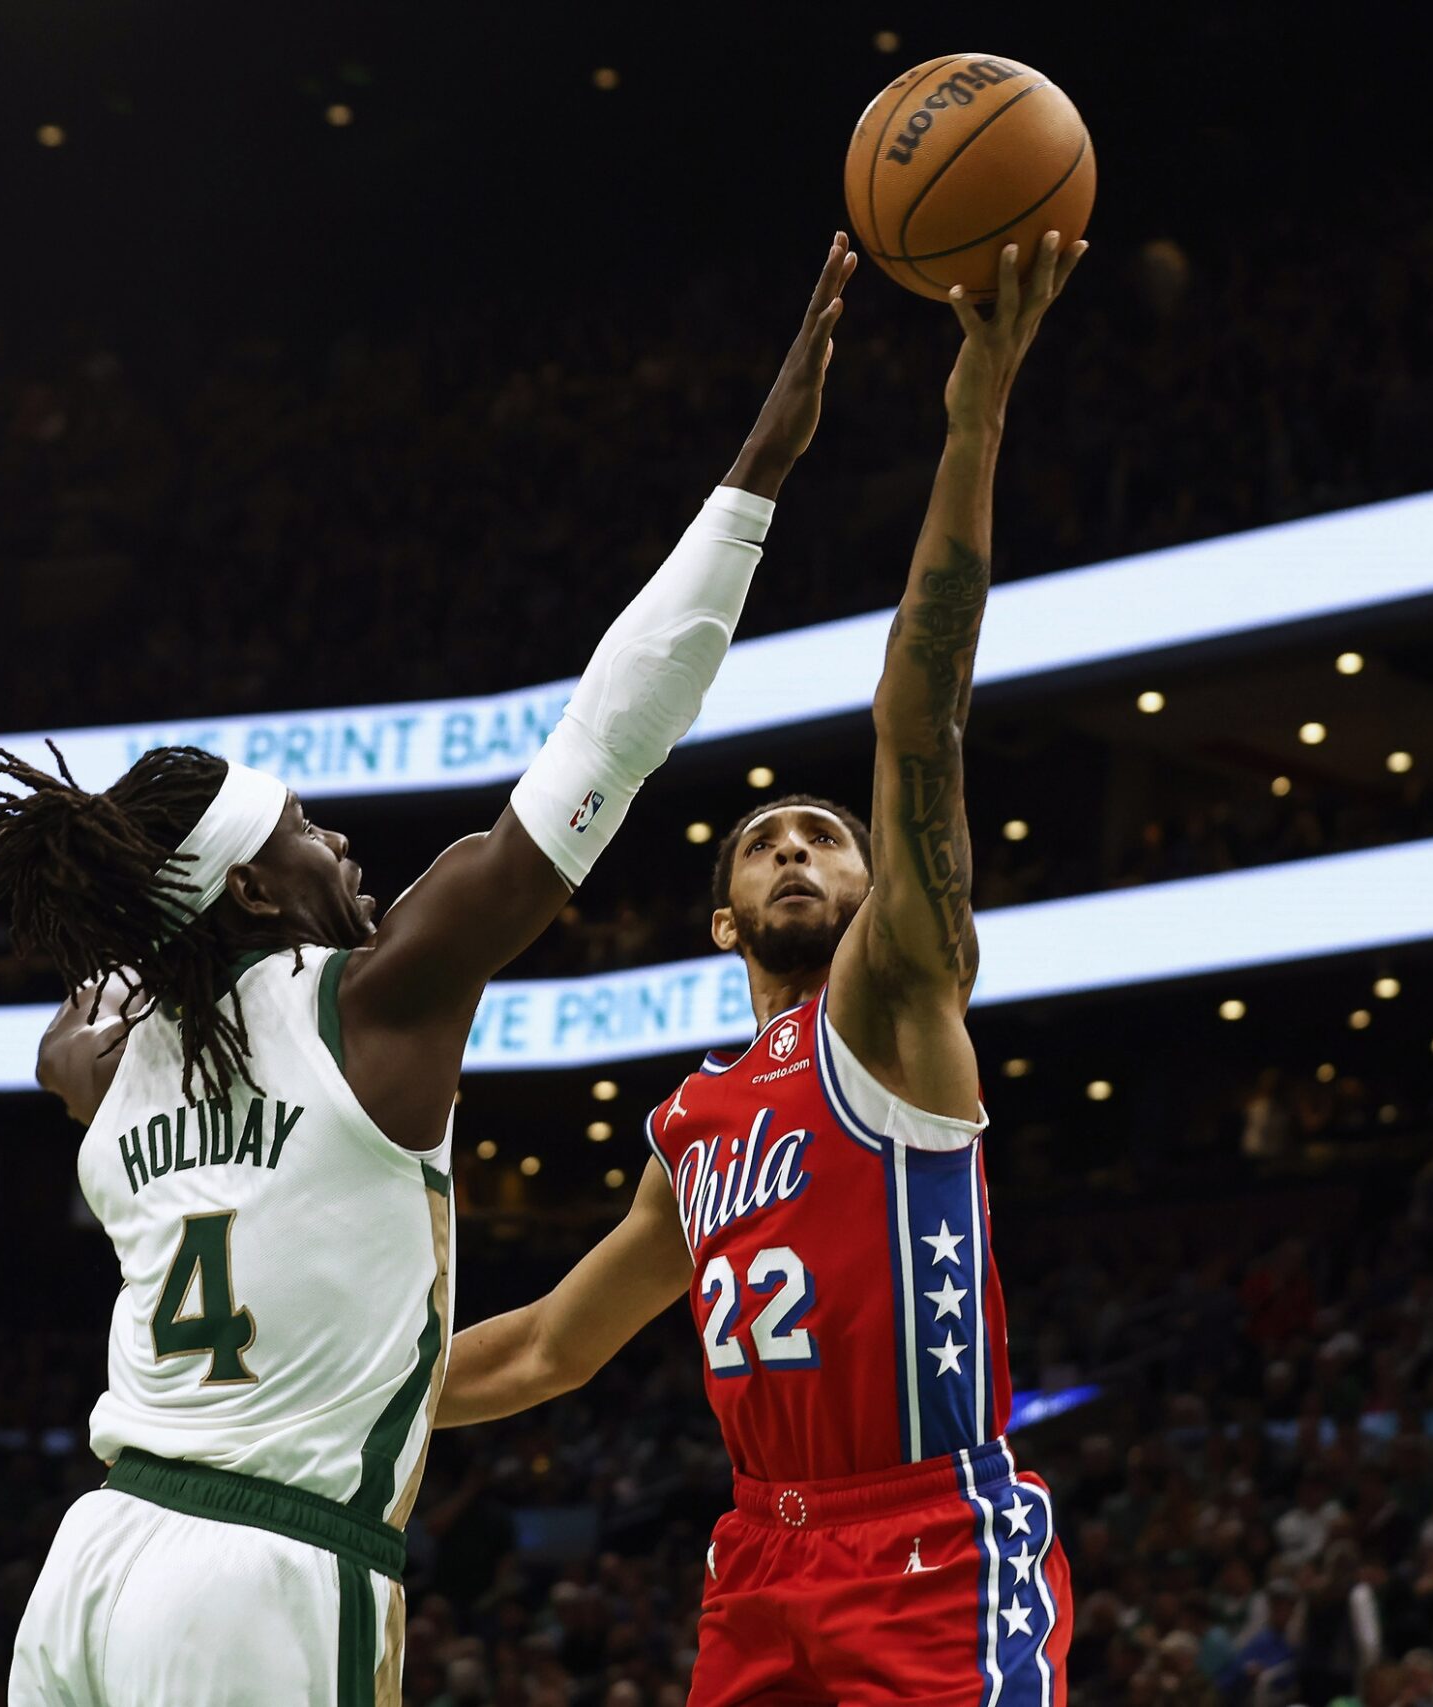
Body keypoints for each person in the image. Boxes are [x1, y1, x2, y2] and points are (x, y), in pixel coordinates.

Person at [0, 237, 858, 1707]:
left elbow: (67, 1047)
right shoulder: (372, 1004)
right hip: (262, 1570)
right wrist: (758, 468)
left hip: (90, 1563)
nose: (341, 842)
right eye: (304, 828)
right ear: (250, 886)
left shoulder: (105, 1070)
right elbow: (610, 736)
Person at [433, 230, 1089, 1703]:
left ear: (877, 893)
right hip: (756, 1564)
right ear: (723, 918)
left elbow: (920, 720)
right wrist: (340, 1410)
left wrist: (975, 413)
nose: (801, 854)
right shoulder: (692, 1129)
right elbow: (545, 1347)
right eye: (766, 845)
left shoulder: (900, 999)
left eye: (830, 842)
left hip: (928, 1547)